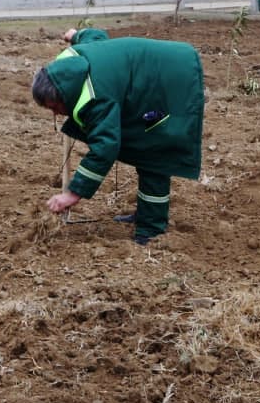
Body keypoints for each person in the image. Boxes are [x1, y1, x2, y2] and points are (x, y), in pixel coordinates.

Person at [31, 27, 204, 245]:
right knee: (145, 145)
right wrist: (75, 35)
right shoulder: (72, 61)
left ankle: (151, 230)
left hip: (172, 83)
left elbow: (105, 147)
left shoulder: (95, 98)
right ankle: (146, 214)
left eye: (54, 107)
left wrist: (72, 194)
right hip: (152, 74)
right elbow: (96, 37)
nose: (56, 113)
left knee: (154, 150)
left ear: (63, 96)